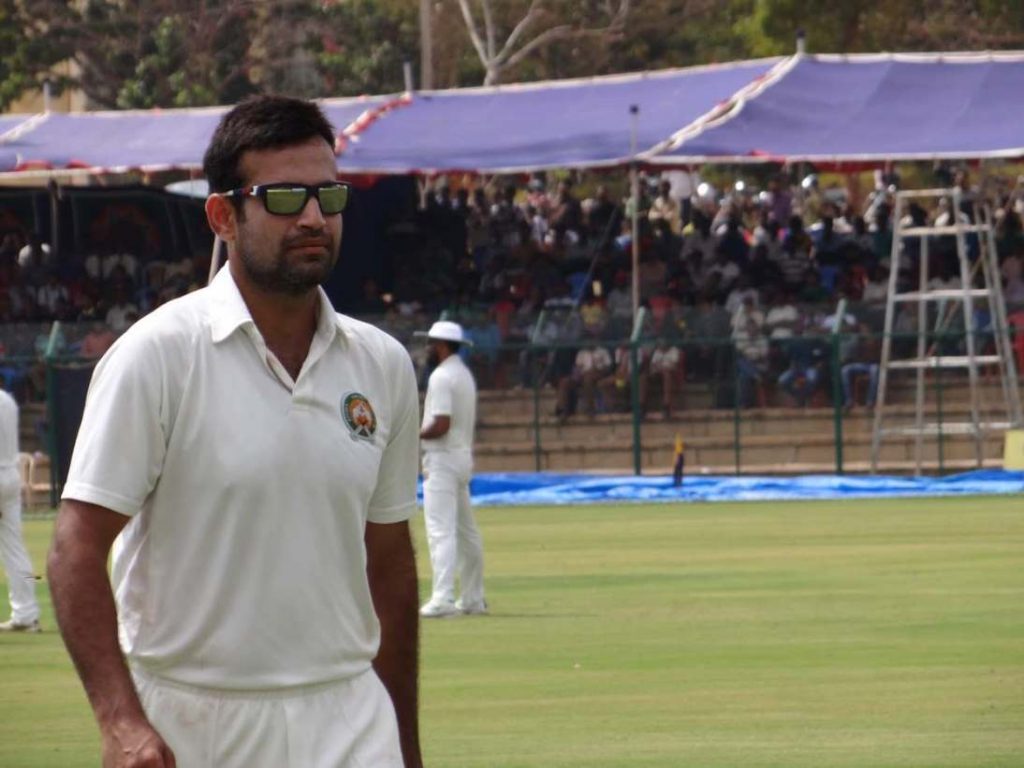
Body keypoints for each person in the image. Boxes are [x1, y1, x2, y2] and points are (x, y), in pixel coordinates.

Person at [47, 95, 423, 768]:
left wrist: (406, 744)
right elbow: (76, 548)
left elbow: (389, 562)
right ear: (223, 214)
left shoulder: (383, 365)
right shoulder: (154, 356)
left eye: (326, 197)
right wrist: (121, 722)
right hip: (195, 720)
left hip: (350, 716)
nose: (311, 217)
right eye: (282, 198)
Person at [416, 320, 486, 619]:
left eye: (432, 344)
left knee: (440, 530)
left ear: (441, 346)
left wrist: (411, 435)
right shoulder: (463, 374)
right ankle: (472, 598)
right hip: (460, 458)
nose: (429, 349)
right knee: (466, 532)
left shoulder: (442, 377)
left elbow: (441, 424)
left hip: (443, 458)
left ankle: (443, 598)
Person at [0, 387, 41, 633]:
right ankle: (26, 615)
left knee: (14, 549)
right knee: (15, 549)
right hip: (10, 476)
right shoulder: (7, 400)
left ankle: (25, 614)